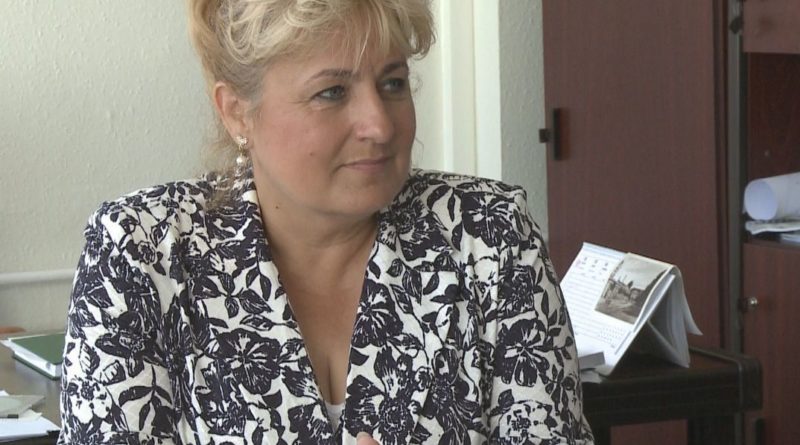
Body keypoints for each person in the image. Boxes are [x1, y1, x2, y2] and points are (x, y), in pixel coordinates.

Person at [58, 0, 594, 444]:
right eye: (332, 92)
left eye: (393, 83)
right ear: (237, 112)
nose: (379, 124)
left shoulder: (489, 234)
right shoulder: (142, 250)